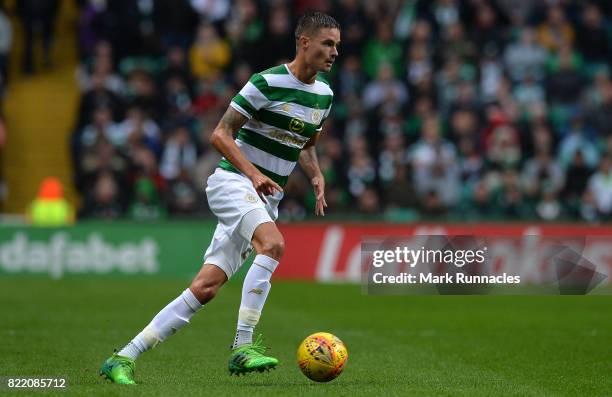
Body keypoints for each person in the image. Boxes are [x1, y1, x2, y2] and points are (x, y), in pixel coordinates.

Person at [99, 11, 340, 384]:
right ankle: (242, 347)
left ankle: (122, 357)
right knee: (273, 245)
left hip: (264, 198)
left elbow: (306, 145)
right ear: (304, 42)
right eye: (328, 43)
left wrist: (316, 175)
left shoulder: (324, 95)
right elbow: (221, 134)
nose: (334, 52)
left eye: (337, 45)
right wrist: (254, 172)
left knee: (205, 288)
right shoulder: (266, 82)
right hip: (233, 184)